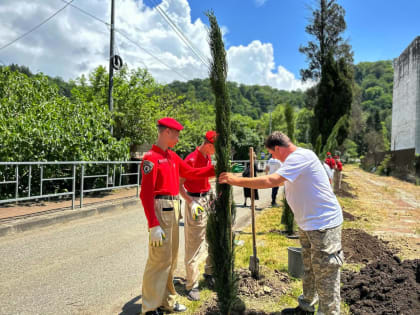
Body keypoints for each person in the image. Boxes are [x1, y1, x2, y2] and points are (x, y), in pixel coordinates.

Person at [219, 131, 344, 315]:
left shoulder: (299, 157)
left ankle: (328, 313)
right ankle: (306, 306)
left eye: (272, 153)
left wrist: (234, 180)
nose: (273, 157)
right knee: (310, 267)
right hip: (309, 224)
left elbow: (271, 180)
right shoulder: (299, 158)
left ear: (277, 148)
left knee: (326, 275)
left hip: (323, 225)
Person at [140, 118, 215, 315]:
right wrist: (153, 224)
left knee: (170, 259)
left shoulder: (172, 156)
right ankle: (150, 306)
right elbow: (146, 193)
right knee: (158, 260)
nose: (179, 138)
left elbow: (191, 172)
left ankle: (166, 302)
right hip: (161, 208)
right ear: (166, 132)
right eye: (176, 134)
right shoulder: (150, 158)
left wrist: (218, 169)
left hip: (173, 206)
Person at [179, 130, 217, 301]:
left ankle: (209, 272)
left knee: (212, 238)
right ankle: (191, 285)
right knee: (194, 243)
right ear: (209, 145)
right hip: (194, 200)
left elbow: (205, 180)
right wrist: (190, 202)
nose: (216, 152)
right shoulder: (191, 159)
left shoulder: (207, 157)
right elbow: (179, 185)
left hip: (207, 198)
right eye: (215, 148)